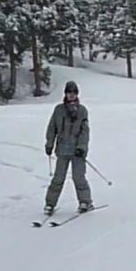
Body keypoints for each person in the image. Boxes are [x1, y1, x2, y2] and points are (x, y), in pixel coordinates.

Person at [44, 80, 93, 215]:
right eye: (69, 92)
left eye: (74, 92)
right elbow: (52, 128)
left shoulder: (82, 111)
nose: (71, 95)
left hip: (77, 152)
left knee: (79, 177)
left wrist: (81, 147)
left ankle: (85, 202)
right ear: (65, 94)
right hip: (62, 150)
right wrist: (49, 144)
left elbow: (84, 131)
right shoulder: (59, 110)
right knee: (58, 178)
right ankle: (50, 203)